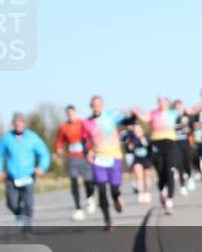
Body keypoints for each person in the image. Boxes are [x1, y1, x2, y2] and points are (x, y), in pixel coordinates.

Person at [0, 112, 50, 228]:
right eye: (16, 122)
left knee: (28, 203)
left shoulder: (32, 137)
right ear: (13, 124)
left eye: (21, 122)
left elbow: (44, 153)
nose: (18, 124)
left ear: (25, 123)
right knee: (11, 203)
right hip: (11, 176)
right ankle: (19, 215)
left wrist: (42, 167)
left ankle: (28, 228)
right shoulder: (6, 138)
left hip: (28, 176)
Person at [84, 95, 132, 230]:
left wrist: (133, 116)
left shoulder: (112, 115)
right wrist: (87, 151)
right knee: (101, 190)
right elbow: (83, 140)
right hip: (98, 159)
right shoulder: (87, 122)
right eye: (94, 106)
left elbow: (127, 122)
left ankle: (117, 197)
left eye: (98, 105)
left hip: (114, 157)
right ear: (91, 107)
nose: (96, 108)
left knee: (114, 188)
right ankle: (108, 220)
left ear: (102, 105)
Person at [133, 96, 180, 214]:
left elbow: (187, 112)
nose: (162, 103)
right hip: (157, 145)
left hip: (171, 144)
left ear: (168, 103)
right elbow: (144, 118)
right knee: (161, 173)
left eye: (164, 101)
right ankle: (162, 190)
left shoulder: (173, 113)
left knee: (170, 171)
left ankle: (169, 200)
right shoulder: (153, 113)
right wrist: (137, 112)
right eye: (159, 101)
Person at [54, 105, 95, 220]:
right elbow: (59, 140)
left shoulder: (82, 124)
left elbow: (90, 137)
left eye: (72, 113)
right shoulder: (64, 127)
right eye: (68, 114)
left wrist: (91, 149)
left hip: (84, 157)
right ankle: (78, 208)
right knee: (74, 182)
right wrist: (58, 149)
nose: (70, 115)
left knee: (88, 180)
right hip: (72, 158)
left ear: (76, 113)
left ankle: (90, 197)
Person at [124, 122, 152, 203]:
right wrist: (129, 143)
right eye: (135, 130)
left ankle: (147, 192)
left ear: (141, 130)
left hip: (146, 158)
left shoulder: (146, 136)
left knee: (147, 175)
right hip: (137, 158)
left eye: (138, 130)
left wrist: (142, 138)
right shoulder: (132, 138)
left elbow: (148, 145)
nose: (136, 131)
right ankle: (140, 193)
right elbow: (130, 149)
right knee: (139, 175)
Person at [173, 99, 196, 196]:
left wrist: (188, 130)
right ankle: (182, 186)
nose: (179, 109)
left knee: (187, 162)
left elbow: (192, 129)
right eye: (177, 107)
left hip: (186, 143)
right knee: (179, 165)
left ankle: (189, 177)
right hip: (176, 144)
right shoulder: (172, 118)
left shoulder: (187, 117)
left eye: (180, 107)